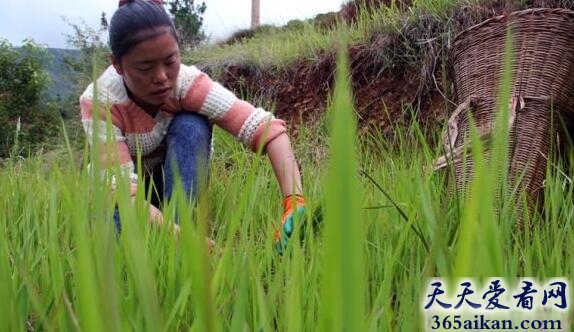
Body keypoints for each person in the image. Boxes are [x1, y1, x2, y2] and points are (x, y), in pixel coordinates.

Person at [80, 0, 305, 253]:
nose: (162, 77)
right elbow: (121, 192)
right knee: (121, 236)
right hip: (127, 196)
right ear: (117, 64)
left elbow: (266, 128)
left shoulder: (186, 82)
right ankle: (176, 241)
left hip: (172, 182)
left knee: (192, 124)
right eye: (145, 68)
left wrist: (294, 200)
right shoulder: (101, 101)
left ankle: (180, 222)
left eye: (170, 60)